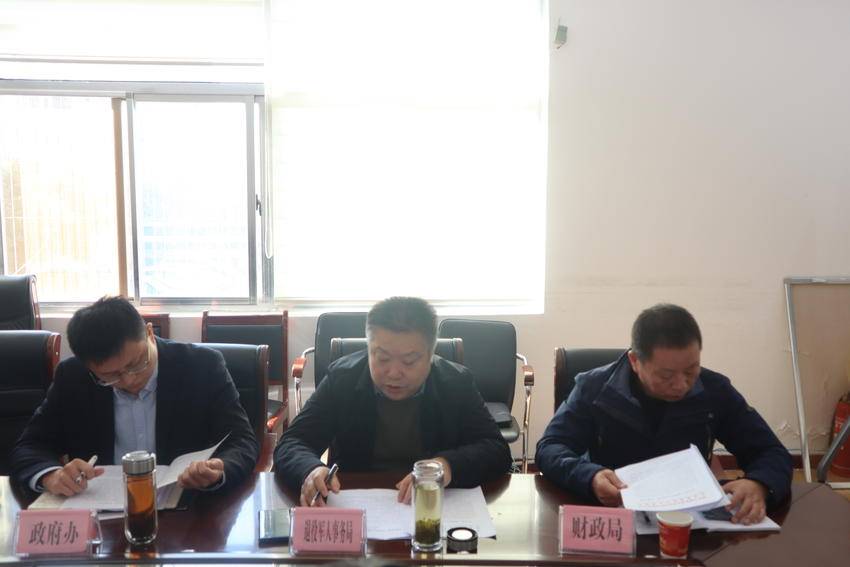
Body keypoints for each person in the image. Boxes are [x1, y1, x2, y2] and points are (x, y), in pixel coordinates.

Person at [536, 303, 793, 525]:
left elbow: (771, 451)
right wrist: (589, 476)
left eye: (691, 370)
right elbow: (550, 448)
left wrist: (759, 484)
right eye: (666, 375)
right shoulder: (594, 389)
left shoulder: (715, 391)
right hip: (616, 516)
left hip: (690, 521)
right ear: (635, 361)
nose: (681, 384)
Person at [274, 296, 512, 506]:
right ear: (369, 349)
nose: (394, 373)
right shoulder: (343, 379)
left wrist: (447, 466)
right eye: (382, 358)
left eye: (409, 361)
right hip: (359, 505)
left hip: (432, 507)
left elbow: (496, 450)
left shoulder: (455, 382)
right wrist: (311, 469)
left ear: (431, 355)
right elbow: (293, 442)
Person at [11, 296, 259, 496]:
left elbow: (241, 440)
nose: (129, 380)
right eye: (110, 376)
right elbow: (30, 446)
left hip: (187, 506)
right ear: (88, 366)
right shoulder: (73, 377)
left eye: (137, 364)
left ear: (149, 333)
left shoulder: (202, 366)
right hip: (100, 515)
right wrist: (51, 475)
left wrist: (219, 469)